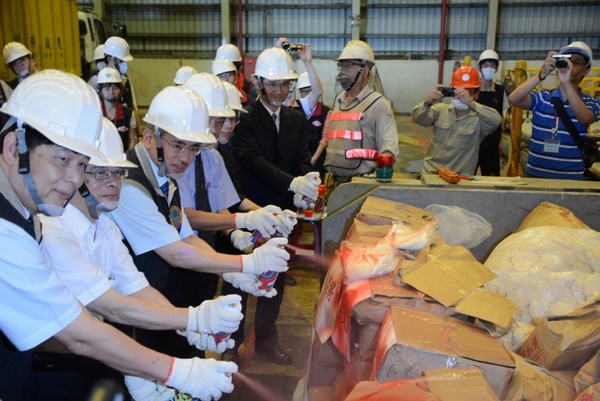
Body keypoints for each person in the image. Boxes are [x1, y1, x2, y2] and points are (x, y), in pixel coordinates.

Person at [0, 69, 236, 401]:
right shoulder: (14, 231)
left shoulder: (38, 214)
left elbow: (134, 288)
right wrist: (176, 367)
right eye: (63, 160)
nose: (72, 179)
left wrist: (188, 326)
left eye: (82, 165)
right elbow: (80, 331)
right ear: (14, 148)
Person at [107, 85, 289, 358]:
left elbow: (187, 236)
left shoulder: (165, 178)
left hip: (149, 296)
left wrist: (229, 273)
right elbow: (177, 253)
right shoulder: (130, 187)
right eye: (177, 145)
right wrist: (247, 263)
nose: (185, 158)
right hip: (125, 313)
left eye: (193, 148)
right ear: (149, 137)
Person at [231, 47, 321, 365]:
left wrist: (304, 184)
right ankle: (231, 344)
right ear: (258, 82)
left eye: (285, 84)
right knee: (240, 281)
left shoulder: (296, 119)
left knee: (275, 280)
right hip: (250, 215)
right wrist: (290, 183)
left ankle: (267, 344)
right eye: (272, 84)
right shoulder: (244, 121)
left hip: (282, 215)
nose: (279, 91)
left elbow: (299, 158)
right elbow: (252, 162)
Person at [508, 41, 600, 180]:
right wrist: (541, 74)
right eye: (567, 59)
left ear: (586, 70)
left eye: (577, 62)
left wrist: (566, 83)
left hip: (570, 178)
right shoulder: (543, 97)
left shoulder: (590, 102)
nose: (570, 64)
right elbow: (514, 99)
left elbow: (585, 119)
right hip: (535, 175)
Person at [324, 40, 399, 186]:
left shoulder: (378, 104)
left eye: (348, 65)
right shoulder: (339, 99)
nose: (342, 71)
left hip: (360, 184)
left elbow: (389, 147)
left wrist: (382, 175)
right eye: (341, 65)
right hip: (333, 183)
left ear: (364, 71)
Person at [412, 65, 502, 176]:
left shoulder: (479, 119)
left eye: (467, 91)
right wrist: (426, 103)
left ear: (476, 94)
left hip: (459, 179)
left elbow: (496, 119)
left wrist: (471, 103)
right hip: (431, 174)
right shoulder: (440, 110)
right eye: (457, 90)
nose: (461, 96)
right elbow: (418, 118)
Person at [475, 49, 509, 176]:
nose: (489, 68)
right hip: (474, 141)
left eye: (492, 65)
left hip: (493, 143)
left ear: (496, 68)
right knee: (467, 175)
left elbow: (502, 118)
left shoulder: (500, 91)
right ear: (480, 67)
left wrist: (500, 141)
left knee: (492, 177)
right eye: (485, 65)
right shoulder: (473, 89)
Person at [97, 67, 137, 151]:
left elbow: (131, 141)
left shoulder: (128, 114)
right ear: (100, 90)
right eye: (107, 88)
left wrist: (127, 159)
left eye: (115, 88)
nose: (111, 92)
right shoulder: (94, 112)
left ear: (121, 90)